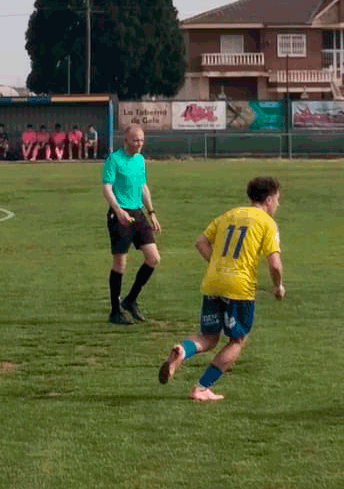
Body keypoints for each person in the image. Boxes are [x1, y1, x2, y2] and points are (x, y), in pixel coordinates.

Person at [158, 176, 285, 402]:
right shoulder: (267, 222)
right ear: (268, 199)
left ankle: (182, 351)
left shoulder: (230, 214)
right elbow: (274, 264)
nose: (278, 204)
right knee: (237, 341)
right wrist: (278, 287)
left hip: (213, 281)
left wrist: (218, 265)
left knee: (208, 336)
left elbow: (201, 242)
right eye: (277, 199)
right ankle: (201, 388)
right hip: (239, 287)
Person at [101, 124, 162, 325]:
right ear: (125, 140)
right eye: (135, 140)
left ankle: (130, 300)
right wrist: (118, 210)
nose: (139, 144)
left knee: (153, 258)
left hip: (138, 213)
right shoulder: (114, 159)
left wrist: (151, 212)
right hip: (120, 214)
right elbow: (107, 188)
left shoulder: (140, 160)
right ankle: (114, 311)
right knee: (120, 263)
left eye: (142, 140)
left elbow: (143, 186)